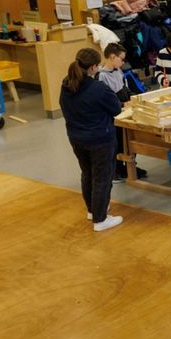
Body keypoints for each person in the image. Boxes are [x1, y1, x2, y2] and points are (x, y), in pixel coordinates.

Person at [59, 47, 124, 232]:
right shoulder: (98, 89)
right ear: (95, 67)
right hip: (100, 139)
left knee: (87, 173)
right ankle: (100, 219)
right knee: (102, 177)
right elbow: (116, 109)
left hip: (76, 137)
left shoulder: (67, 84)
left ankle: (93, 210)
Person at [97, 43, 147, 181]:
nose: (123, 62)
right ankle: (116, 170)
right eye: (121, 59)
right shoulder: (101, 76)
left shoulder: (118, 70)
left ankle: (130, 165)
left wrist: (133, 97)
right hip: (112, 114)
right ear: (112, 57)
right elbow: (105, 99)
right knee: (117, 142)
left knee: (128, 138)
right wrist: (122, 104)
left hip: (125, 109)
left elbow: (123, 88)